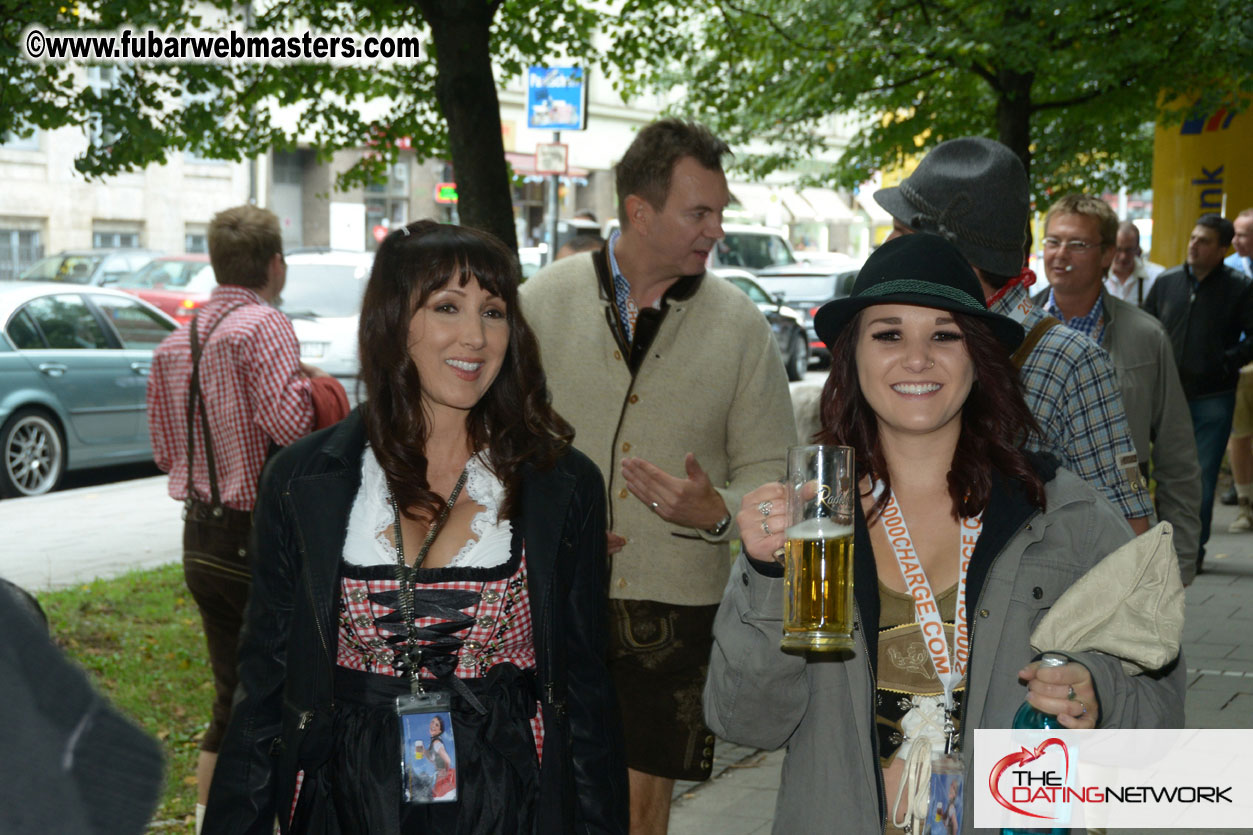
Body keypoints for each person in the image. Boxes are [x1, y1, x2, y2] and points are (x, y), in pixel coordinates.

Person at [704, 233, 1185, 834]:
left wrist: (1098, 692)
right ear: (852, 355)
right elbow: (745, 722)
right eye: (888, 334)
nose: (916, 358)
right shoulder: (810, 524)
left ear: (976, 356)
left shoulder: (1064, 516)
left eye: (944, 334)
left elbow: (1162, 717)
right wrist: (768, 574)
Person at [203, 220, 628, 835]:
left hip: (513, 801)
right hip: (347, 801)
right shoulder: (303, 481)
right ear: (393, 322)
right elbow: (264, 689)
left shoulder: (562, 485)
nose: (476, 337)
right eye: (446, 307)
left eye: (495, 311)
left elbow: (586, 692)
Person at [520, 118, 797, 834]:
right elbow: (493, 446)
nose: (716, 229)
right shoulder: (536, 305)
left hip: (671, 611)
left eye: (720, 211)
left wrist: (715, 509)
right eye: (698, 212)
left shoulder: (740, 327)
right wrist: (543, 515)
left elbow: (774, 474)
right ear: (639, 212)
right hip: (546, 592)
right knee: (542, 788)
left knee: (642, 810)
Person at [146, 204, 328, 829]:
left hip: (199, 535)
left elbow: (166, 452)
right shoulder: (264, 327)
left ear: (218, 263)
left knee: (232, 697)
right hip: (259, 540)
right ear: (275, 264)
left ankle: (210, 823)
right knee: (289, 696)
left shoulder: (175, 341)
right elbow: (293, 427)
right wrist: (316, 386)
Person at [874, 137, 1154, 536]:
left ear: (956, 254)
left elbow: (1130, 527)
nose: (888, 245)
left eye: (902, 232)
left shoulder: (1069, 360)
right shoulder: (890, 341)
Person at [1033, 194, 1202, 582]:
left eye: (1078, 244)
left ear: (1107, 254)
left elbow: (1177, 455)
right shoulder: (1015, 331)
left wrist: (1182, 560)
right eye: (1053, 241)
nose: (1061, 254)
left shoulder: (1145, 336)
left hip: (1120, 524)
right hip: (1035, 532)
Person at [1145, 213, 1253, 572]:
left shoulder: (1239, 286)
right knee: (1164, 473)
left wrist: (1226, 361)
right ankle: (1164, 547)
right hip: (1165, 397)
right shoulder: (1167, 281)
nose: (1194, 245)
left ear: (1222, 249)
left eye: (1204, 241)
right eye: (1193, 238)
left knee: (1202, 477)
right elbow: (1147, 328)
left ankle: (1192, 550)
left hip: (1213, 398)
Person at [1221, 209, 1253, 523]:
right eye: (1235, 233)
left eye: (1243, 234)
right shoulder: (1227, 269)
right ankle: (1245, 503)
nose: (1235, 241)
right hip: (1242, 367)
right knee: (1239, 434)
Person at [1104, 221, 1164, 305]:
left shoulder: (1156, 277)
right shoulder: (1098, 277)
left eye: (1129, 250)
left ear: (1138, 249)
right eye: (1118, 249)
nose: (1123, 257)